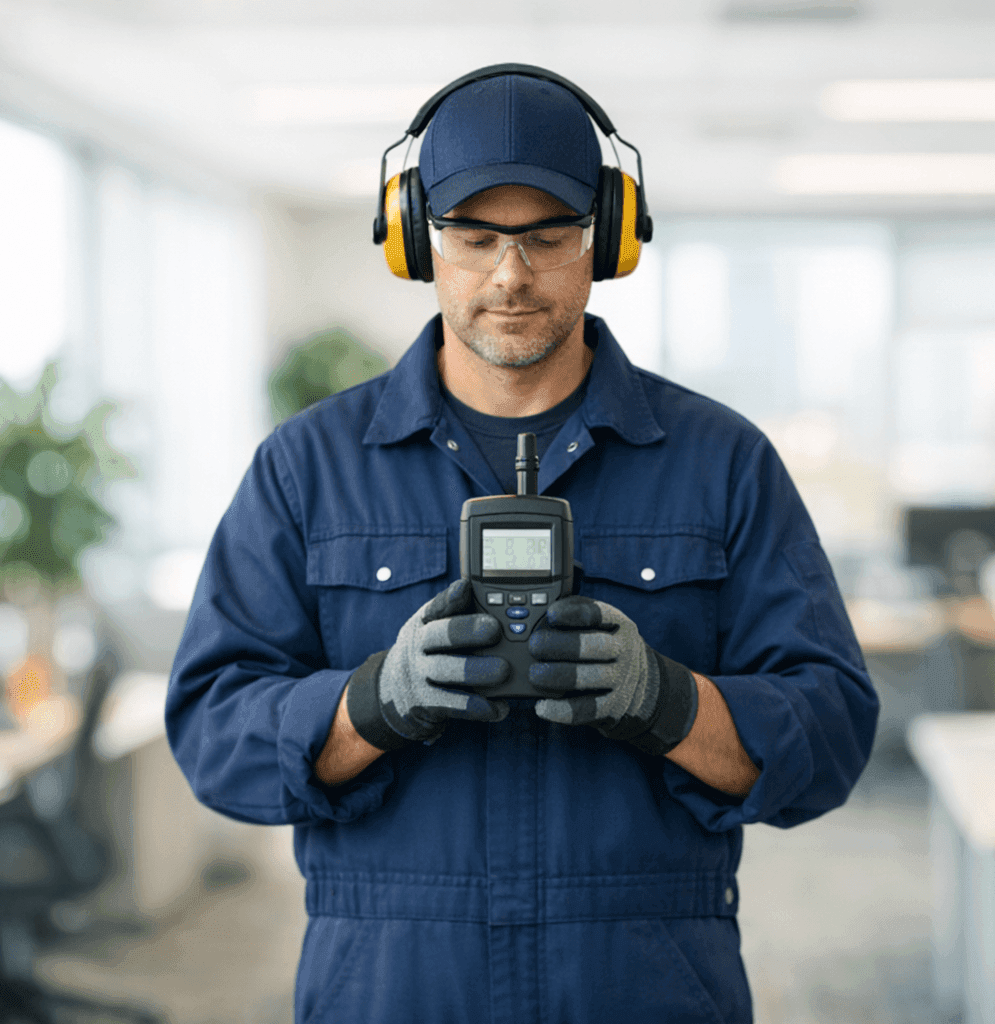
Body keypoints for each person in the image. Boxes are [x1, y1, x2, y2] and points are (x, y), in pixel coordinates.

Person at [166, 65, 878, 1024]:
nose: (511, 274)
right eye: (474, 237)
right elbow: (214, 735)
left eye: (549, 235)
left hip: (643, 985)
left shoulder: (722, 463)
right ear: (418, 240)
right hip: (394, 987)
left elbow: (830, 734)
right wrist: (370, 704)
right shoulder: (308, 467)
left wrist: (669, 702)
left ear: (608, 242)